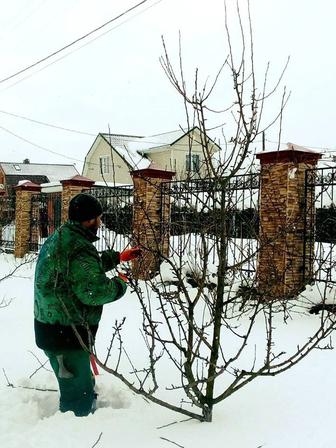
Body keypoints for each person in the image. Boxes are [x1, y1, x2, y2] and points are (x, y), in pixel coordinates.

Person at [34, 193, 141, 416]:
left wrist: (118, 257)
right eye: (99, 218)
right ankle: (78, 429)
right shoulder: (78, 247)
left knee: (78, 379)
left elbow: (82, 269)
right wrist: (120, 284)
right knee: (76, 394)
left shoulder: (64, 237)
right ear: (90, 219)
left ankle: (84, 405)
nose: (101, 223)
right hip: (66, 333)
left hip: (54, 327)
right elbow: (94, 291)